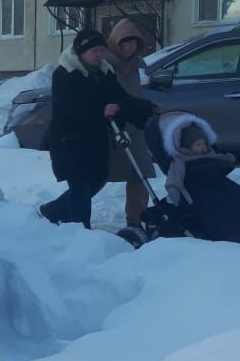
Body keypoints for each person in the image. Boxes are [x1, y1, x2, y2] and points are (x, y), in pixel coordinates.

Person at [39, 28, 156, 229]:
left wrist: (147, 107)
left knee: (97, 180)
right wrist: (101, 110)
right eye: (94, 51)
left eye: (101, 50)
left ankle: (53, 210)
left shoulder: (104, 71)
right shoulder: (64, 73)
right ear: (81, 51)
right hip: (69, 140)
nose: (99, 55)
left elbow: (119, 96)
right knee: (80, 186)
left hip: (94, 139)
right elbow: (69, 107)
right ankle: (80, 232)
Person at [105, 19, 158, 228]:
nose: (130, 48)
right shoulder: (105, 64)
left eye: (134, 44)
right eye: (126, 43)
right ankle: (65, 208)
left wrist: (145, 109)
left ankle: (136, 218)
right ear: (116, 42)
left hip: (135, 126)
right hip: (112, 126)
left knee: (141, 172)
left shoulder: (135, 64)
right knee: (98, 177)